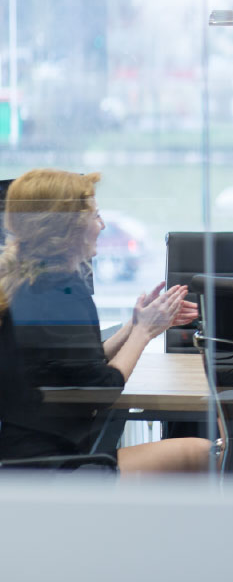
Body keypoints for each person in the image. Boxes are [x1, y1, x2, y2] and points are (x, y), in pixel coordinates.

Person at [0, 169, 209, 474]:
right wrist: (142, 332)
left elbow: (83, 370)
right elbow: (100, 390)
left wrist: (134, 326)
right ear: (69, 229)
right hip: (48, 467)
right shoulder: (59, 292)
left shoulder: (29, 283)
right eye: (95, 216)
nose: (103, 225)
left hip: (23, 456)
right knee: (203, 454)